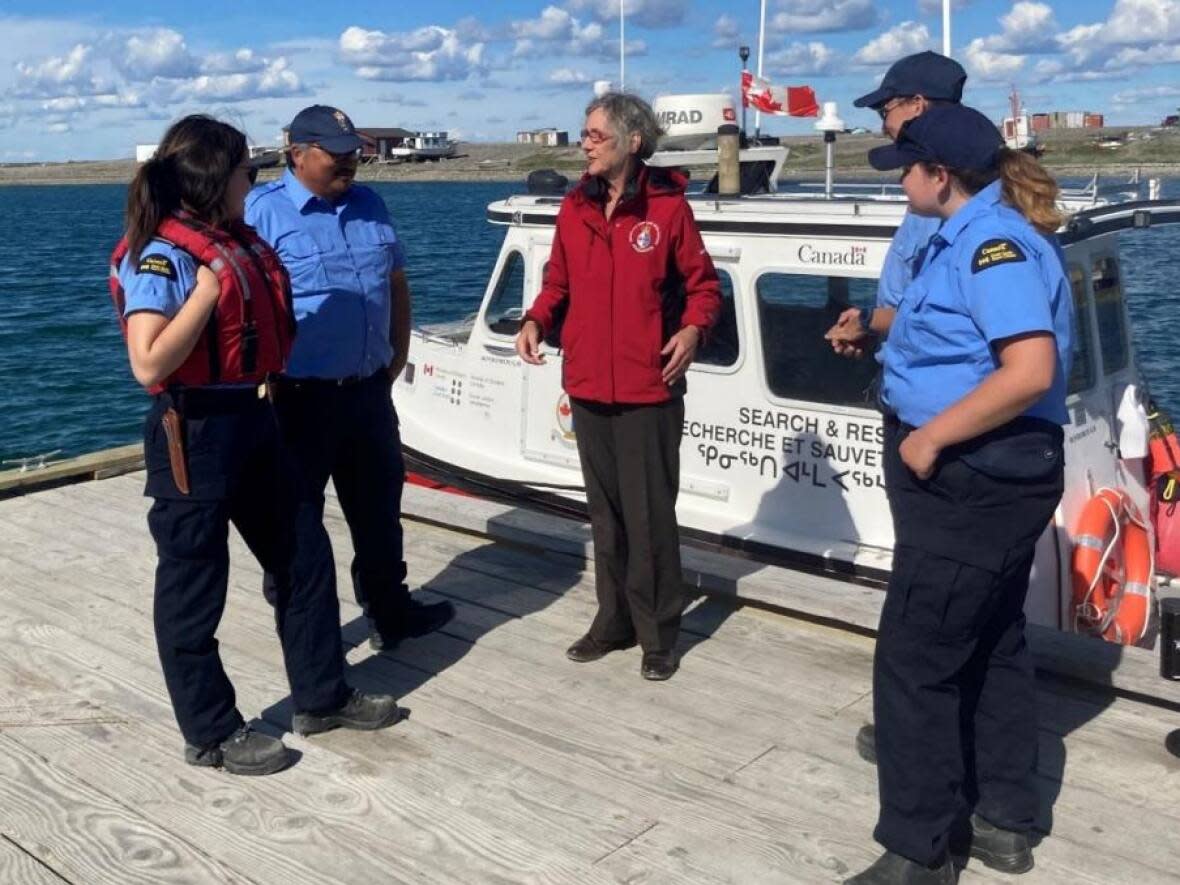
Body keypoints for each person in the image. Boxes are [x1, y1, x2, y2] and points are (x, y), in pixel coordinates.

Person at [110, 116, 403, 776]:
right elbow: (149, 363)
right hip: (194, 430)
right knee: (194, 584)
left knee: (304, 553)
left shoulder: (230, 238)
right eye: (248, 169)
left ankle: (322, 695)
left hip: (251, 418)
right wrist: (208, 293)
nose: (256, 179)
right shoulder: (163, 255)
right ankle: (211, 730)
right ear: (218, 177)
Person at [837, 105, 1072, 885]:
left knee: (913, 654)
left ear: (941, 175)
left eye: (906, 167)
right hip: (979, 473)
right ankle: (1004, 816)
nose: (897, 179)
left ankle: (920, 848)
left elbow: (1029, 370)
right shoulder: (953, 238)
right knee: (992, 634)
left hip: (976, 473)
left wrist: (932, 437)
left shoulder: (992, 248)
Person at [514, 92, 721, 681]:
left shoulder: (668, 211)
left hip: (648, 386)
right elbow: (558, 283)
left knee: (650, 513)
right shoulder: (574, 208)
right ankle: (614, 621)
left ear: (633, 141)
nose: (585, 144)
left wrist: (691, 330)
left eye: (596, 135)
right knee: (605, 514)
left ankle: (658, 633)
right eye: (584, 134)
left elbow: (704, 288)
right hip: (586, 382)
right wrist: (535, 320)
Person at [245, 105, 453, 651]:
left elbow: (396, 281)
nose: (350, 162)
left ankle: (390, 611)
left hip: (368, 391)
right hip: (299, 398)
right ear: (297, 154)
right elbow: (242, 305)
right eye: (336, 153)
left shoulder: (370, 203)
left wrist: (397, 356)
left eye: (353, 151)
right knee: (295, 524)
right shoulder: (261, 212)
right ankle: (305, 632)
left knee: (381, 510)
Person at [830, 51, 968, 357]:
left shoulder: (955, 198)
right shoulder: (931, 195)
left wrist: (869, 322)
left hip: (944, 396)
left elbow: (954, 322)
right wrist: (872, 328)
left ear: (917, 105)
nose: (883, 125)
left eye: (884, 110)